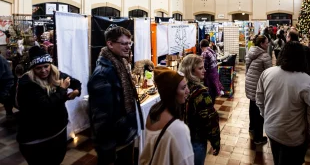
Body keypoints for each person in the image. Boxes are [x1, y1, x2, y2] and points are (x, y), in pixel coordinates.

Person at [256, 42, 310, 165]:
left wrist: (266, 116)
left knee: (277, 160)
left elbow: (259, 98)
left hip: (271, 129)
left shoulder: (268, 73)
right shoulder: (307, 82)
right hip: (293, 136)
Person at [88, 26, 143, 165]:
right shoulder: (102, 74)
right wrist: (108, 149)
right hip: (114, 141)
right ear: (110, 44)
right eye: (123, 43)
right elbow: (101, 117)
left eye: (129, 43)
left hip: (124, 134)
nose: (128, 47)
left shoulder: (121, 63)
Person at [16, 46, 81, 165]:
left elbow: (76, 82)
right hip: (37, 137)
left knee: (57, 160)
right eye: (38, 68)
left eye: (46, 66)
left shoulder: (56, 74)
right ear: (32, 69)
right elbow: (45, 105)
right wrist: (62, 90)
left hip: (58, 131)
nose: (43, 71)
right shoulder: (26, 82)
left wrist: (76, 91)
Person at [140, 68, 194, 165]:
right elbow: (186, 161)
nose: (188, 91)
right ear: (171, 92)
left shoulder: (153, 112)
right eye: (183, 88)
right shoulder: (178, 129)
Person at [180, 54, 220, 165]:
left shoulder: (180, 88)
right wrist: (215, 141)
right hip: (196, 141)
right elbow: (210, 119)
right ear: (191, 71)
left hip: (183, 138)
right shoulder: (201, 93)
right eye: (200, 68)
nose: (204, 70)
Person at [245, 35, 271, 145]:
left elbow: (247, 67)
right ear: (261, 44)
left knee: (252, 106)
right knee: (259, 111)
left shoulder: (251, 52)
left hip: (250, 83)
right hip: (258, 86)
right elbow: (270, 74)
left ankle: (251, 128)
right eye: (266, 42)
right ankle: (258, 137)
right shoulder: (265, 56)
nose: (268, 44)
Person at [0, 54, 14, 118]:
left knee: (6, 99)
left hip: (7, 84)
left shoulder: (0, 59)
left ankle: (9, 115)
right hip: (4, 82)